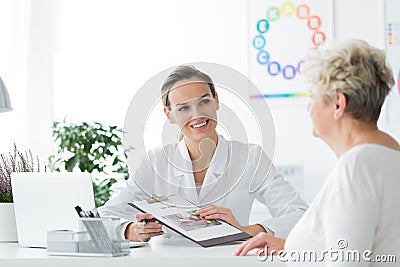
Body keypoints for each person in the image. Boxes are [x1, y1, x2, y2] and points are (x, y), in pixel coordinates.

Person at [235, 39, 400, 265]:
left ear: (338, 105)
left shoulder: (356, 167)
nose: (309, 107)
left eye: (312, 97)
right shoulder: (390, 155)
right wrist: (290, 247)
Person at [99, 65, 307, 242]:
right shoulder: (157, 162)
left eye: (204, 101)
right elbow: (103, 217)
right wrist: (130, 230)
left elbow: (301, 214)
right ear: (169, 115)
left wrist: (247, 231)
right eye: (183, 108)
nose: (197, 114)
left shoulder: (250, 157)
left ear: (216, 100)